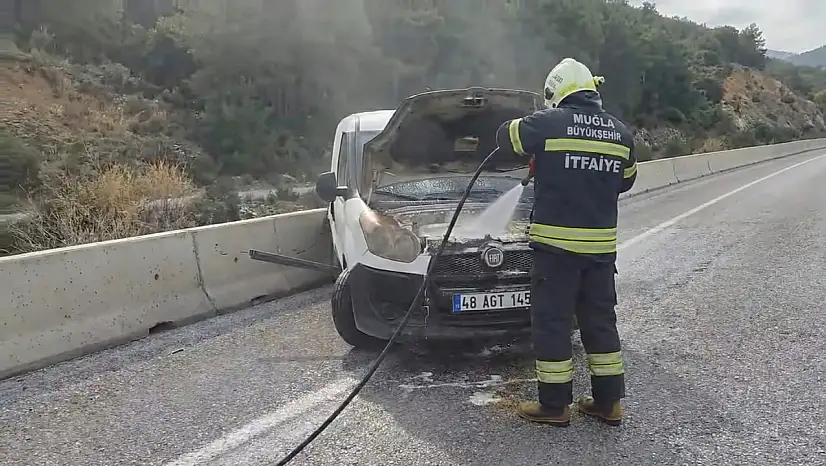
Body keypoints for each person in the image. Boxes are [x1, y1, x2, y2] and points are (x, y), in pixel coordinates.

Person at [494, 57, 638, 426]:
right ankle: (609, 403)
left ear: (557, 91)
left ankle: (555, 406)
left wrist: (550, 156)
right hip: (601, 254)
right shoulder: (621, 133)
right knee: (600, 324)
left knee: (553, 324)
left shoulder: (549, 122)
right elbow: (626, 180)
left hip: (556, 253)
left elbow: (505, 137)